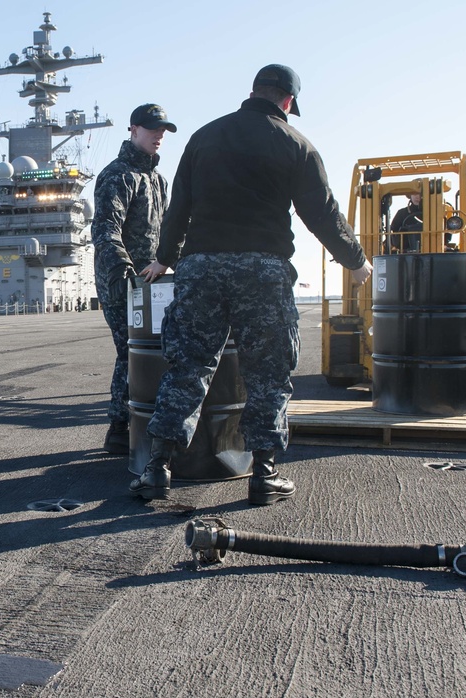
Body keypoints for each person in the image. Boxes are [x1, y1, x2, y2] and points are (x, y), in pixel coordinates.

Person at [130, 65, 373, 503]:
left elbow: (177, 208)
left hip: (200, 269)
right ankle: (264, 475)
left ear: (253, 92)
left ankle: (156, 470)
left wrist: (165, 260)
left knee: (187, 370)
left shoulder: (204, 137)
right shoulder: (295, 144)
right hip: (262, 272)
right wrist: (355, 261)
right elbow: (322, 214)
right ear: (287, 102)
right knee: (267, 375)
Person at [91, 103, 175, 455]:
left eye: (163, 130)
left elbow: (169, 230)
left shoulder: (158, 180)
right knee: (130, 352)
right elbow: (105, 230)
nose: (159, 135)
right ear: (133, 130)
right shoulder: (117, 175)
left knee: (154, 352)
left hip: (153, 284)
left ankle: (145, 423)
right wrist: (125, 275)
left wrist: (172, 263)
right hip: (121, 283)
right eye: (152, 128)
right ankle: (118, 428)